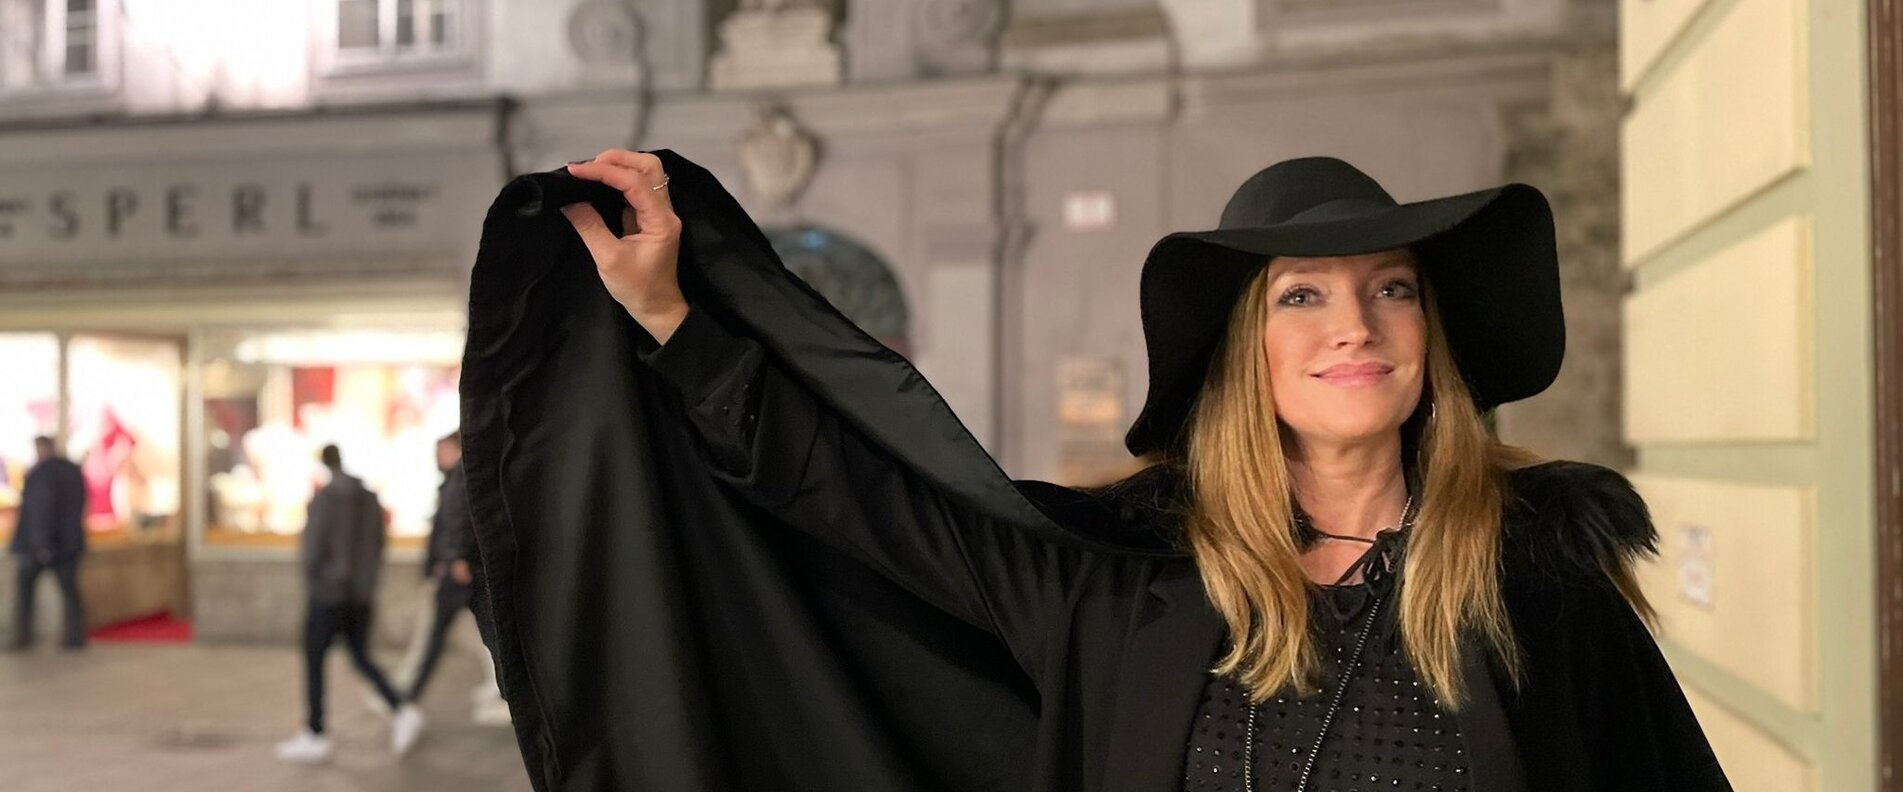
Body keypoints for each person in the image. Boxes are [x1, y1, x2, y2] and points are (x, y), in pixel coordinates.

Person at [462, 149, 1727, 790]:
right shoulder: (1123, 584)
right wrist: (677, 322)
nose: (1354, 325)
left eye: (1391, 289)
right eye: (1301, 296)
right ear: (1242, 354)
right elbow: (872, 501)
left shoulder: (1539, 590)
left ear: (1428, 337)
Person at [275, 444, 424, 764]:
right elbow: (380, 544)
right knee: (360, 656)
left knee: (316, 660)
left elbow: (313, 549)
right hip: (360, 595)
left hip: (328, 596)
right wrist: (364, 584)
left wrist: (318, 581)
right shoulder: (369, 499)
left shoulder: (326, 499)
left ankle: (315, 732)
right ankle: (400, 708)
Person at [402, 431, 480, 706]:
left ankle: (410, 694)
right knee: (437, 638)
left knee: (435, 638)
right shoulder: (453, 480)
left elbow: (458, 521)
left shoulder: (460, 478)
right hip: (451, 570)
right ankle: (410, 692)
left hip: (456, 573)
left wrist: (455, 558)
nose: (438, 457)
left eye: (442, 451)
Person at [9, 436, 87, 651]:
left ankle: (22, 635)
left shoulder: (42, 474)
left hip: (43, 546)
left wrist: (42, 545)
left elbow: (41, 510)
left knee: (26, 590)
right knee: (70, 592)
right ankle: (75, 636)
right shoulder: (72, 471)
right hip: (69, 544)